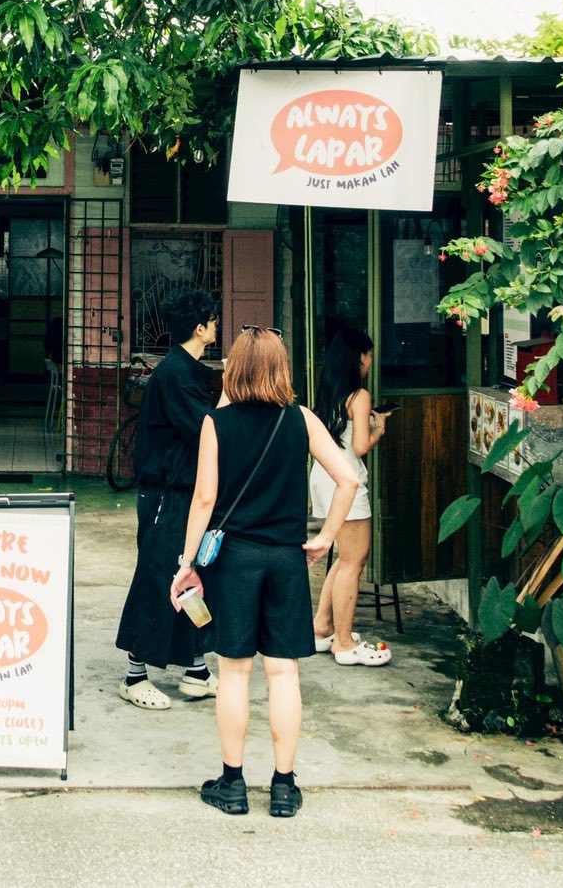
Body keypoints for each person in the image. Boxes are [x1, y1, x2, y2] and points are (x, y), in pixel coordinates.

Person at [170, 327, 360, 819]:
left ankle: (232, 784)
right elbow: (348, 478)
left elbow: (204, 499)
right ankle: (283, 786)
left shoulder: (216, 423)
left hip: (234, 560)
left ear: (234, 368)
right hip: (286, 559)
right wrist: (325, 537)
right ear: (281, 368)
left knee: (234, 672)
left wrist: (186, 564)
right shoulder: (301, 419)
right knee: (283, 672)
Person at [114, 288, 220, 710]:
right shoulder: (176, 374)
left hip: (182, 491)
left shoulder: (184, 369)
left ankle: (196, 669)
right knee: (158, 577)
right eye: (213, 320)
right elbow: (206, 430)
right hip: (166, 494)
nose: (217, 325)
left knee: (190, 575)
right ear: (200, 328)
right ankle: (134, 675)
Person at [310, 329, 392, 666]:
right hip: (346, 481)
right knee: (354, 561)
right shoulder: (360, 396)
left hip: (323, 476)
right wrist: (379, 428)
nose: (370, 361)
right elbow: (359, 447)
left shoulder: (329, 389)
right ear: (359, 357)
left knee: (345, 558)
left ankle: (322, 626)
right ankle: (343, 643)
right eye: (368, 354)